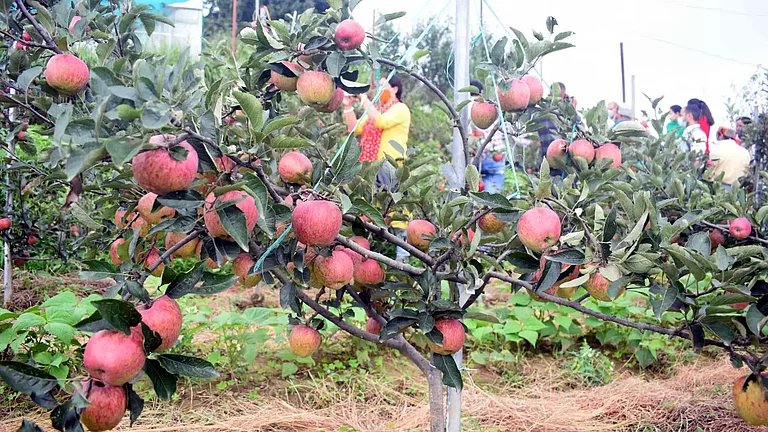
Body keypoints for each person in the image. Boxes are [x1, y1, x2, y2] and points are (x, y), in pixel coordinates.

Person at [342, 73, 411, 259]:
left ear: (394, 89)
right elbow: (355, 129)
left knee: (396, 209)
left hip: (392, 165)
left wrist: (365, 100)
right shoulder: (377, 110)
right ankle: (367, 253)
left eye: (383, 86)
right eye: (378, 86)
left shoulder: (400, 109)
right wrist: (348, 106)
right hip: (371, 167)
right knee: (368, 209)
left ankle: (403, 255)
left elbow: (381, 121)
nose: (379, 91)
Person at [708, 126, 750, 191]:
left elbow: (709, 172)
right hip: (737, 190)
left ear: (721, 135)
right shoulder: (745, 152)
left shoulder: (715, 149)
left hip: (718, 189)